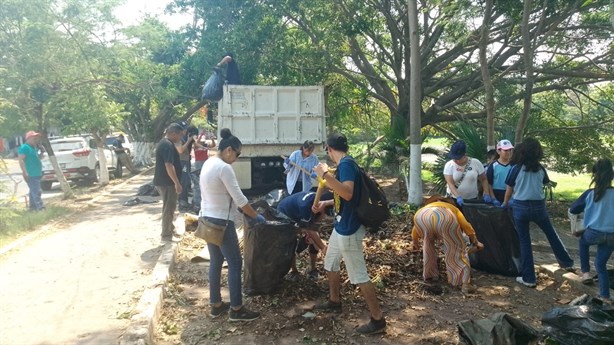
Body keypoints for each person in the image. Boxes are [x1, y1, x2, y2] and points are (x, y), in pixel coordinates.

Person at [311, 133, 386, 335]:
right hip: (341, 225)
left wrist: (325, 174)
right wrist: (326, 203)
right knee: (331, 262)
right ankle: (334, 301)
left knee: (359, 274)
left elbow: (348, 193)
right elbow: (345, 197)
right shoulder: (347, 164)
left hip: (349, 228)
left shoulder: (345, 165)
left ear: (329, 149)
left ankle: (377, 320)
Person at [200, 128, 264, 322]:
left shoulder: (209, 162)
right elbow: (241, 200)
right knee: (235, 263)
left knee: (216, 262)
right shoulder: (224, 168)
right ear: (229, 150)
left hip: (207, 218)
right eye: (237, 154)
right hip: (221, 222)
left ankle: (216, 305)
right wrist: (257, 218)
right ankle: (236, 309)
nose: (237, 158)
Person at [503, 138, 574, 288]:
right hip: (539, 207)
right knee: (551, 234)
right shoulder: (541, 169)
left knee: (525, 242)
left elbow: (509, 189)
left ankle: (529, 278)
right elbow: (544, 183)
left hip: (520, 207)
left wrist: (505, 203)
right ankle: (567, 263)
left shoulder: (516, 168)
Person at [411, 195, 482, 293]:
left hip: (421, 216)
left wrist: (415, 244)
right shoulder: (452, 208)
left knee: (428, 247)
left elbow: (415, 231)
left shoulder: (426, 207)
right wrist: (475, 241)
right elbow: (466, 225)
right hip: (445, 217)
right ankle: (464, 283)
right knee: (455, 249)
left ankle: (430, 276)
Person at [569, 158, 614, 304]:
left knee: (583, 242)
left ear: (595, 175)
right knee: (601, 264)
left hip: (594, 233)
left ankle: (586, 273)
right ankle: (605, 296)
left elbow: (573, 209)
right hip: (612, 235)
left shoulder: (590, 193)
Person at [277, 190, 332, 281]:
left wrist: (316, 240)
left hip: (300, 213)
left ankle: (312, 269)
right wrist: (323, 247)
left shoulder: (318, 201)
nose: (325, 215)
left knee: (313, 239)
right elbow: (309, 229)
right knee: (291, 241)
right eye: (325, 212)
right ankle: (294, 271)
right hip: (285, 213)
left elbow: (314, 226)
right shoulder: (306, 206)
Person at [154, 123, 183, 243]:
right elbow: (168, 165)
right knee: (169, 207)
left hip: (165, 181)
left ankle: (169, 228)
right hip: (167, 182)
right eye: (179, 135)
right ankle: (166, 235)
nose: (180, 138)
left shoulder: (166, 143)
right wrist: (176, 182)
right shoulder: (167, 145)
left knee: (169, 206)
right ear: (173, 133)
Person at [443, 140, 490, 206]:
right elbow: (450, 184)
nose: (456, 160)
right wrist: (458, 197)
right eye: (454, 158)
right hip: (454, 199)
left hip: (472, 199)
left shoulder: (476, 163)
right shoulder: (449, 165)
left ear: (465, 154)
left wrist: (486, 192)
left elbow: (483, 179)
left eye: (458, 158)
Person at [18, 131, 44, 211]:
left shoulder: (34, 148)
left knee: (33, 191)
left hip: (37, 172)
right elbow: (21, 160)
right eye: (34, 138)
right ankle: (40, 208)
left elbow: (35, 159)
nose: (36, 140)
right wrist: (24, 172)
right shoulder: (24, 147)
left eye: (37, 138)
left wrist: (41, 153)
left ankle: (32, 208)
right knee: (37, 191)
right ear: (28, 138)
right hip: (31, 173)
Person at [190, 130, 216, 213]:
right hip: (198, 164)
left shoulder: (205, 145)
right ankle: (197, 201)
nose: (202, 141)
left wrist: (212, 139)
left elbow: (213, 145)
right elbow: (196, 143)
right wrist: (201, 134)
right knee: (198, 181)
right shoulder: (196, 145)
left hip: (205, 163)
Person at [484, 139, 514, 205]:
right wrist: (493, 198)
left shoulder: (513, 165)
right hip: (496, 194)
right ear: (498, 151)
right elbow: (489, 183)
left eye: (510, 150)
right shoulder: (493, 165)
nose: (508, 152)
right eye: (505, 150)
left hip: (510, 194)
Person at [175, 122, 195, 212]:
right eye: (184, 129)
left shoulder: (183, 137)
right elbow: (181, 150)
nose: (185, 130)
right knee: (183, 181)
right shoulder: (178, 139)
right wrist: (188, 141)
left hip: (185, 161)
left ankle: (185, 201)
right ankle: (182, 203)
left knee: (186, 181)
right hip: (181, 162)